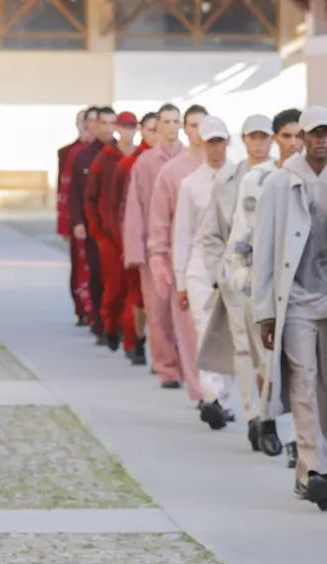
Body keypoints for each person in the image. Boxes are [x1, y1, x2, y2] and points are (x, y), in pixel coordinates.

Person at [252, 106, 327, 510]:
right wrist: (265, 311)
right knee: (303, 379)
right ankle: (317, 465)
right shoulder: (280, 183)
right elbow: (263, 250)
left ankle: (310, 468)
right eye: (313, 133)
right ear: (302, 136)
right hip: (296, 299)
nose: (321, 139)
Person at [226, 108, 303, 463]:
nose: (294, 142)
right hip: (261, 284)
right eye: (286, 135)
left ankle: (298, 439)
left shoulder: (315, 179)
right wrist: (243, 281)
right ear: (276, 139)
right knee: (265, 361)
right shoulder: (256, 179)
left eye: (299, 135)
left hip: (303, 286)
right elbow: (242, 232)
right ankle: (265, 419)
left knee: (303, 367)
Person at [194, 114, 273, 446]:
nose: (258, 142)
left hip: (271, 280)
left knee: (269, 352)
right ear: (243, 139)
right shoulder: (228, 181)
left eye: (263, 136)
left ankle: (268, 413)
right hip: (235, 278)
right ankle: (253, 415)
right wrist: (219, 274)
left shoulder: (280, 178)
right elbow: (209, 234)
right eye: (252, 136)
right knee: (242, 347)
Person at [174, 115, 239, 430]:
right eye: (210, 141)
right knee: (204, 331)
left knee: (229, 335)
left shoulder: (241, 179)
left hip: (232, 267)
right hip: (200, 268)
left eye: (220, 140)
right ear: (202, 143)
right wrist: (180, 282)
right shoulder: (190, 184)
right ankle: (211, 398)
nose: (216, 147)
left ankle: (225, 399)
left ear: (227, 141)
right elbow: (182, 234)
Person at [146, 104, 208, 404]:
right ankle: (203, 395)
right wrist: (159, 262)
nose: (199, 132)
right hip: (185, 262)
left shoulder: (227, 170)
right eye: (193, 126)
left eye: (203, 126)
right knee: (189, 332)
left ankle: (216, 391)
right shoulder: (171, 173)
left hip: (221, 263)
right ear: (185, 128)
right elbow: (159, 221)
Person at [124, 104, 186, 388]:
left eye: (176, 121)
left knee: (185, 311)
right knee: (158, 311)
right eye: (166, 121)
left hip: (186, 248)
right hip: (154, 249)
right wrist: (135, 252)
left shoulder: (191, 159)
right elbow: (134, 208)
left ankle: (187, 364)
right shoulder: (145, 163)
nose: (171, 127)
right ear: (157, 126)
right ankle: (167, 368)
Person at [85, 111, 137, 353]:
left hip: (132, 234)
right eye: (123, 126)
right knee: (113, 288)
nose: (128, 131)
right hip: (109, 235)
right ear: (117, 128)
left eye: (131, 126)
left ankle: (130, 337)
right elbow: (91, 197)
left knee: (132, 290)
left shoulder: (139, 158)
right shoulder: (104, 159)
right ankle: (109, 326)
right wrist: (97, 230)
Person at [112, 112, 157, 366]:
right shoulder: (130, 164)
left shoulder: (175, 161)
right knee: (138, 295)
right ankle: (137, 339)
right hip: (136, 238)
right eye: (149, 129)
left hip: (164, 239)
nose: (154, 133)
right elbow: (116, 204)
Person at [69, 107, 111, 343]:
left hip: (115, 226)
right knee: (96, 275)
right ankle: (98, 321)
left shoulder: (120, 154)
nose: (103, 127)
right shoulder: (82, 155)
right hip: (92, 225)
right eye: (98, 122)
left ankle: (114, 323)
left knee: (117, 278)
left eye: (107, 123)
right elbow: (74, 192)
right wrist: (76, 222)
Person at [57, 108, 94, 326]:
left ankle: (93, 307)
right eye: (82, 122)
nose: (86, 126)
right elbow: (64, 188)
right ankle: (81, 306)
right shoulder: (68, 152)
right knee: (78, 262)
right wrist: (64, 221)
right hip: (76, 214)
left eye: (88, 121)